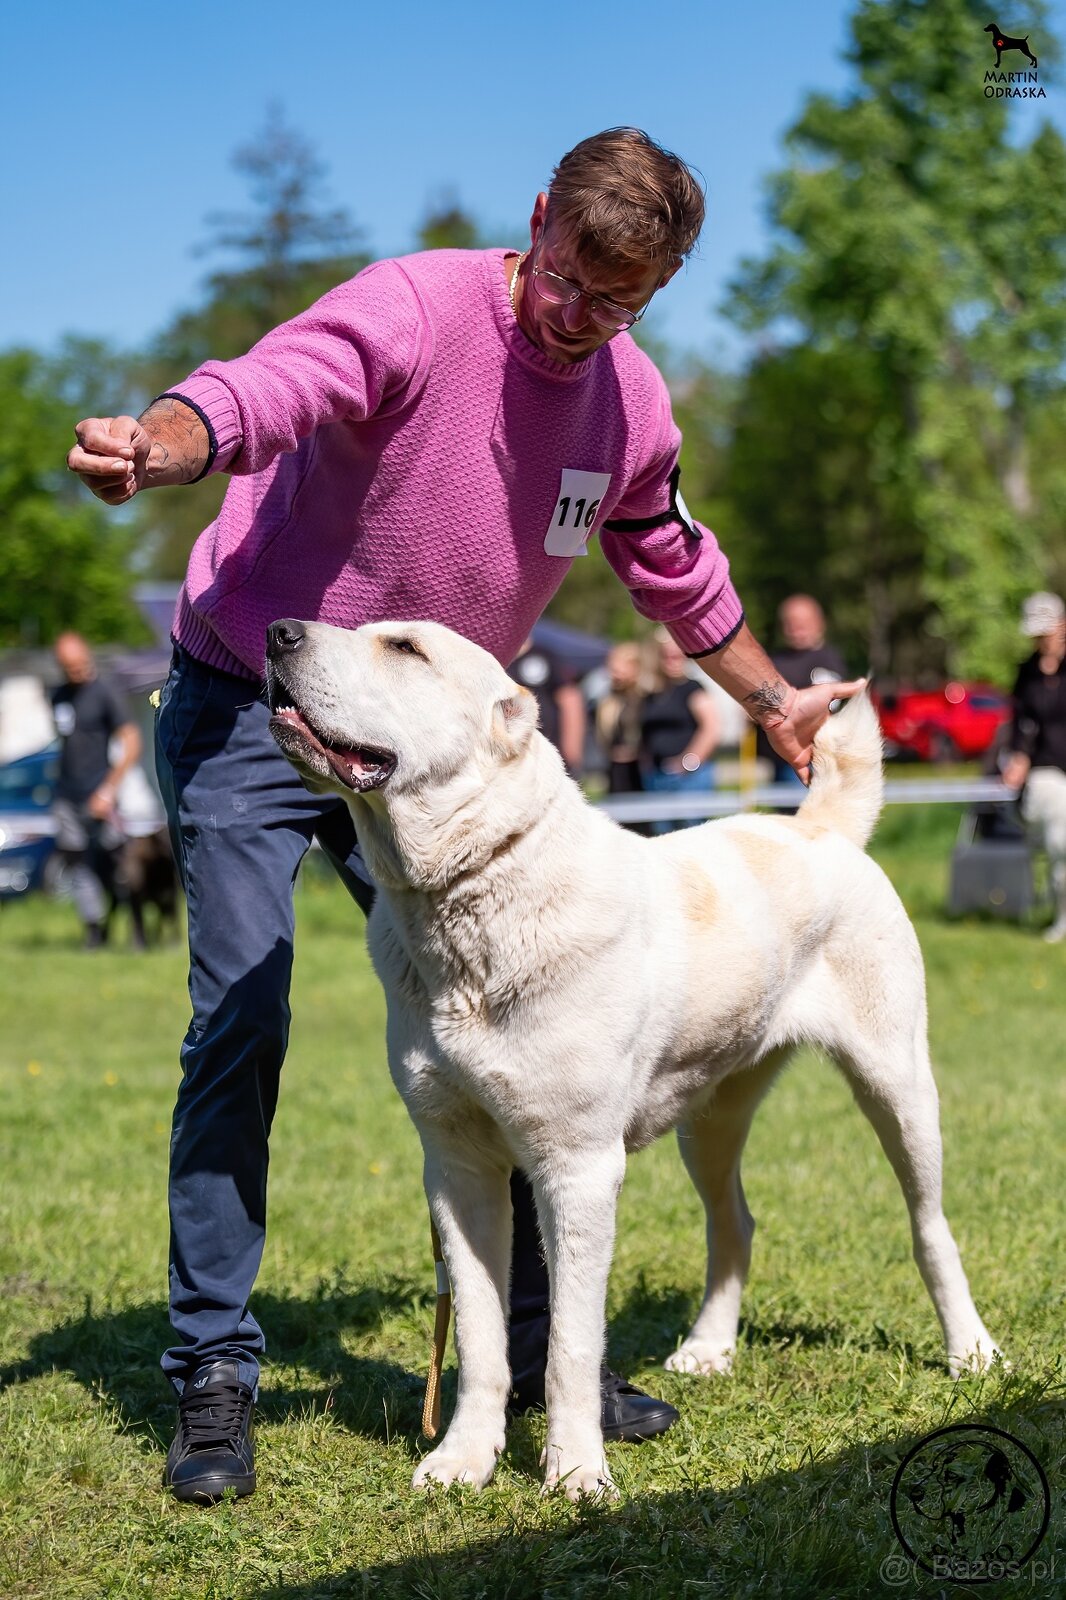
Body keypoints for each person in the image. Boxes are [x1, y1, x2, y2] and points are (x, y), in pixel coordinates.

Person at [67, 127, 863, 1504]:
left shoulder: (628, 403)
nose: (580, 317)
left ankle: (556, 1363)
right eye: (567, 278)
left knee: (542, 1024)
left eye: (619, 301)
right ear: (538, 218)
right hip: (257, 693)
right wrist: (163, 443)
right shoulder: (416, 308)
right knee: (241, 1015)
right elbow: (272, 386)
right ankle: (212, 1368)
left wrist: (772, 700)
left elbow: (668, 558)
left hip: (436, 754)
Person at [49, 633, 142, 949]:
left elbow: (132, 743)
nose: (76, 670)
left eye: (79, 664)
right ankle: (93, 933)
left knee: (118, 865)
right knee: (78, 863)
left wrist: (108, 789)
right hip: (67, 795)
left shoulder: (105, 693)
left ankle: (136, 928)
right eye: (68, 666)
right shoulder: (58, 695)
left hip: (101, 794)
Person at [1002, 592, 1066, 943]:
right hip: (1046, 769)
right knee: (1059, 839)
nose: (1041, 640)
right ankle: (1061, 916)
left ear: (1062, 626)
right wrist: (1018, 757)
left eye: (1046, 632)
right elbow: (1022, 725)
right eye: (1036, 634)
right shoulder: (1026, 672)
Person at [758, 594, 847, 786]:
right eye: (790, 623)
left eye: (803, 623)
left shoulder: (827, 659)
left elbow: (828, 705)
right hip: (779, 756)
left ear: (819, 624)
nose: (796, 629)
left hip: (815, 754)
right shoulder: (773, 660)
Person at [638, 630, 720, 833]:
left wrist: (689, 761)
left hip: (689, 778)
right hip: (657, 776)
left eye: (676, 656)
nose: (671, 661)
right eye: (666, 656)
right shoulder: (653, 693)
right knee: (662, 836)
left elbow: (711, 728)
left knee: (691, 834)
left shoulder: (692, 688)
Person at [507, 635, 586, 775]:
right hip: (508, 751)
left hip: (546, 750)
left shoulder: (544, 656)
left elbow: (570, 699)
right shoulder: (494, 658)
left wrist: (572, 748)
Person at [595, 641, 649, 800]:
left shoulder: (646, 699)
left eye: (619, 669)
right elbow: (603, 735)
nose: (615, 675)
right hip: (616, 767)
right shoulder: (608, 700)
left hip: (642, 769)